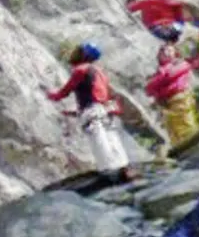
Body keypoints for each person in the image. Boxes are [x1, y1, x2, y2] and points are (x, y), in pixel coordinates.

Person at [43, 43, 135, 181]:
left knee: (100, 146)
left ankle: (111, 175)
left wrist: (50, 95)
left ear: (82, 55)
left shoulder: (81, 70)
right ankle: (125, 170)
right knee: (113, 142)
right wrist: (75, 112)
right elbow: (98, 95)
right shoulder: (99, 71)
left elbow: (65, 91)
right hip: (104, 111)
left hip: (92, 113)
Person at [147, 43, 199, 149]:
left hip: (180, 98)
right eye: (162, 51)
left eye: (169, 50)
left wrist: (159, 85)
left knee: (185, 122)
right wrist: (159, 83)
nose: (166, 52)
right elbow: (149, 89)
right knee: (172, 128)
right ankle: (179, 146)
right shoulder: (159, 71)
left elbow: (169, 76)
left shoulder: (181, 64)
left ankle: (194, 143)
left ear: (175, 53)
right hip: (166, 103)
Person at [128, 0, 195, 42]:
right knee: (177, 28)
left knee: (165, 34)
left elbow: (130, 8)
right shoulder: (174, 0)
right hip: (174, 28)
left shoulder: (147, 0)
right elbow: (181, 18)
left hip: (156, 29)